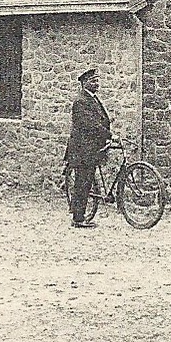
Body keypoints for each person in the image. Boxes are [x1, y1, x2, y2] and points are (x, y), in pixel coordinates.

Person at [63, 67, 111, 228]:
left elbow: (102, 120)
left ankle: (80, 214)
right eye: (93, 81)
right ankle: (78, 219)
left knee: (87, 180)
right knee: (82, 183)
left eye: (97, 80)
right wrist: (109, 135)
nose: (96, 83)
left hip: (91, 148)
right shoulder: (80, 101)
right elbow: (91, 125)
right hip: (81, 150)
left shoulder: (93, 98)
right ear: (84, 83)